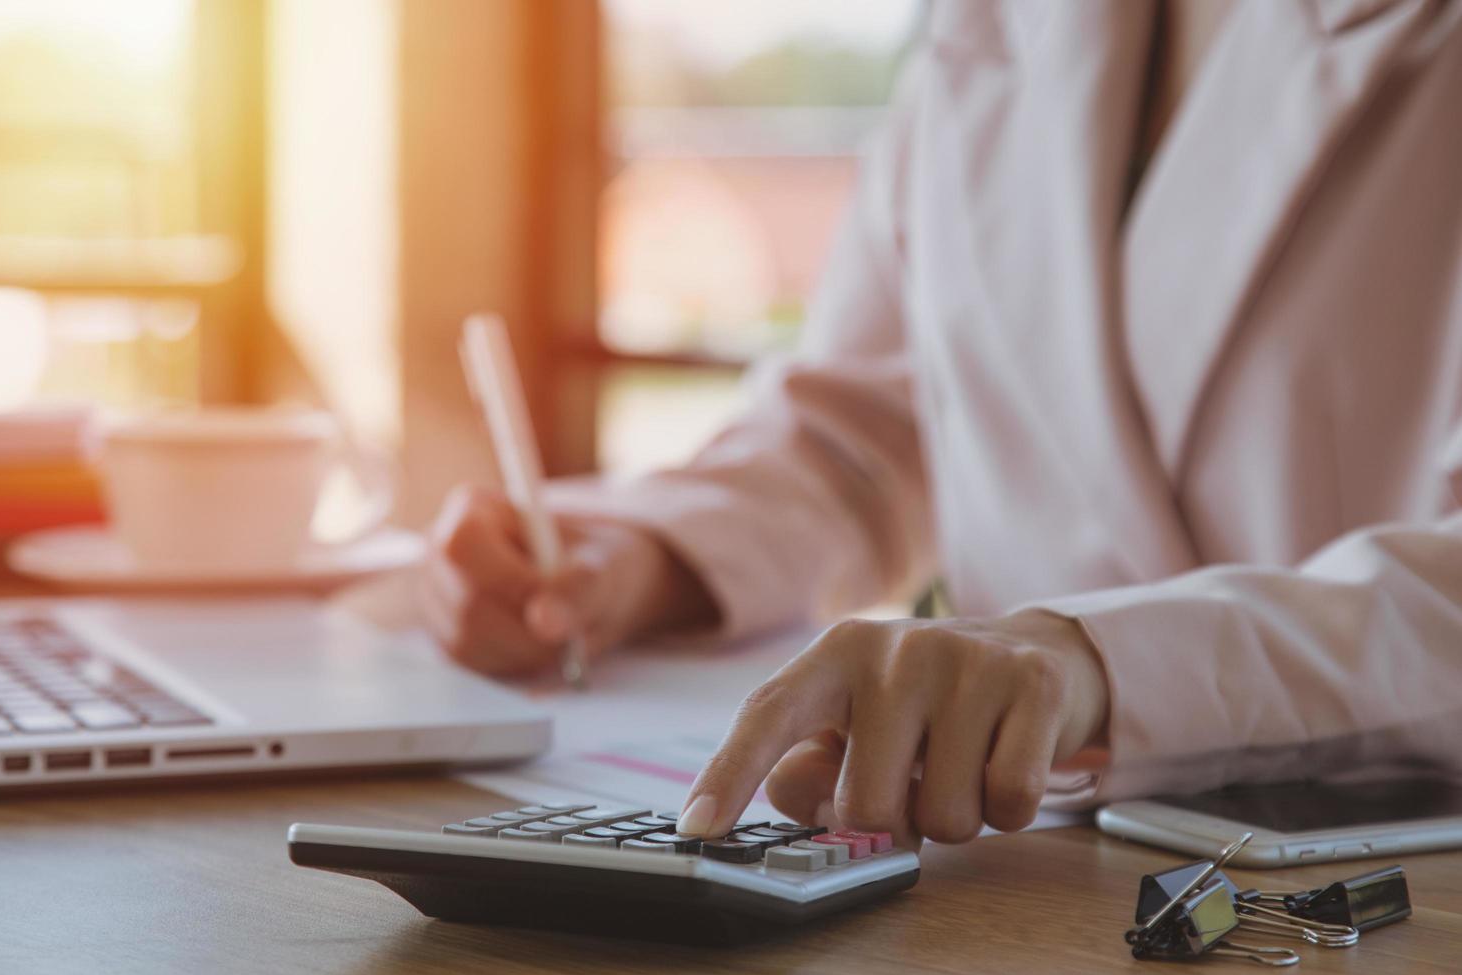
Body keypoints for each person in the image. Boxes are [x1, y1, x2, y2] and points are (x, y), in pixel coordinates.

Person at [422, 0, 1462, 844]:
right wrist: (647, 554)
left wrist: (1099, 665)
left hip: (1376, 893)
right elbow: (881, 421)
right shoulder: (993, 23)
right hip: (1008, 876)